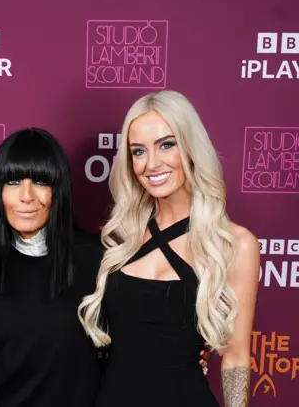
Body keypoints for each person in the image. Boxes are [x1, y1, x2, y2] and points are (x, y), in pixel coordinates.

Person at [78, 90, 260, 407]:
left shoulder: (233, 244)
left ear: (190, 146)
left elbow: (235, 360)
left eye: (166, 144)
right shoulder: (118, 238)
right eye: (138, 152)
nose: (151, 163)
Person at [0, 128, 105, 407]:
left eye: (40, 181)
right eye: (13, 181)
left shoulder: (97, 259)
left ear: (58, 190)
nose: (26, 196)